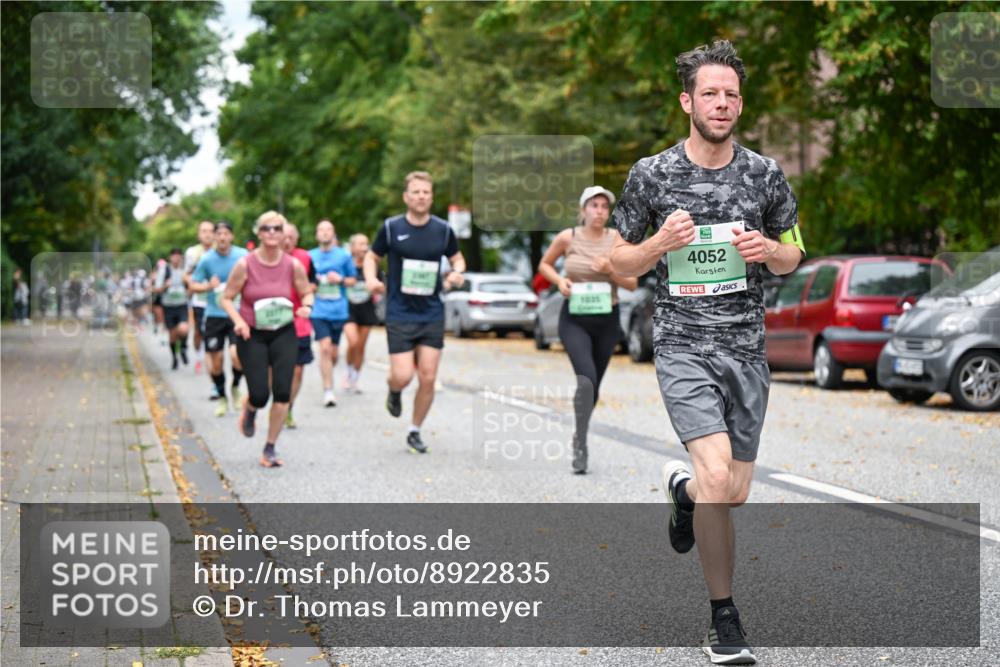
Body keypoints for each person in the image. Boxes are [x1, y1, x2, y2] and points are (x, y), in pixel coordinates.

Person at [610, 40, 805, 666]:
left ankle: (685, 494)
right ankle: (724, 620)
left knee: (731, 490)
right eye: (710, 94)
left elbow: (795, 251)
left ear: (739, 104)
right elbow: (616, 264)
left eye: (731, 95)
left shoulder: (765, 175)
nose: (721, 104)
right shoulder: (652, 175)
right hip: (683, 343)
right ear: (687, 101)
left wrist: (768, 252)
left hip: (746, 348)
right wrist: (657, 243)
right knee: (720, 474)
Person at [363, 171, 466, 454]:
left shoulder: (443, 230)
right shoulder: (391, 227)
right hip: (399, 311)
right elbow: (372, 257)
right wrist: (371, 279)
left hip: (432, 312)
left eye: (426, 192)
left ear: (431, 197)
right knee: (403, 375)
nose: (421, 196)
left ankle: (414, 430)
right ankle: (394, 391)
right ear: (406, 197)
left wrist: (457, 273)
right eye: (416, 191)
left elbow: (458, 259)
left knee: (429, 377)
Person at [538, 186, 637, 474]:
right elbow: (545, 265)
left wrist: (610, 270)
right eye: (594, 205)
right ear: (583, 210)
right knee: (586, 380)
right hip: (575, 320)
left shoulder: (617, 240)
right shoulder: (568, 237)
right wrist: (559, 281)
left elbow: (631, 283)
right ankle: (581, 442)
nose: (599, 211)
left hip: (607, 320)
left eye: (604, 207)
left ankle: (579, 434)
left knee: (594, 387)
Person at [220, 211, 314, 468]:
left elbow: (306, 293)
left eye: (277, 228)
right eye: (266, 228)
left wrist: (306, 306)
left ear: (285, 234)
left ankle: (270, 447)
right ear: (259, 233)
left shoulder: (293, 265)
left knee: (282, 393)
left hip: (284, 332)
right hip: (253, 334)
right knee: (260, 394)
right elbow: (227, 297)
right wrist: (238, 322)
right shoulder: (245, 264)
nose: (272, 232)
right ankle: (251, 409)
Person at [190, 221, 249, 417]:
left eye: (226, 233)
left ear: (231, 236)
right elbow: (193, 285)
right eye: (219, 234)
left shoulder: (242, 257)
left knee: (237, 355)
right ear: (215, 237)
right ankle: (222, 396)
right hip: (214, 315)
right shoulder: (206, 260)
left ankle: (235, 386)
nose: (222, 237)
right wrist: (208, 286)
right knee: (216, 362)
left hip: (236, 314)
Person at [308, 219, 357, 407]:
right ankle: (328, 390)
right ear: (317, 234)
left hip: (339, 311)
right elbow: (303, 281)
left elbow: (353, 280)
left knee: (334, 354)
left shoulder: (343, 256)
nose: (325, 233)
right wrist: (313, 285)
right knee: (325, 348)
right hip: (319, 310)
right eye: (321, 230)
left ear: (333, 233)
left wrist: (341, 280)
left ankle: (328, 369)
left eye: (329, 230)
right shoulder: (309, 256)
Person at [282, 222, 318, 428]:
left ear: (296, 239)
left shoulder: (304, 257)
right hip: (274, 322)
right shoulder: (268, 258)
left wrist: (305, 291)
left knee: (297, 370)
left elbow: (314, 284)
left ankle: (288, 407)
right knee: (274, 370)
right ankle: (277, 401)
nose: (287, 241)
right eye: (284, 237)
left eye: (291, 237)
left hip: (299, 321)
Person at [343, 233, 382, 394]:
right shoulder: (345, 265)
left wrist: (376, 287)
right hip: (348, 309)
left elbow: (382, 287)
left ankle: (355, 378)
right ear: (352, 247)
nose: (363, 247)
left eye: (366, 244)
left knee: (361, 346)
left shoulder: (372, 266)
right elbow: (338, 283)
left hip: (366, 309)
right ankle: (348, 371)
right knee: (353, 342)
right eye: (359, 244)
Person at [184, 221, 216, 377]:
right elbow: (186, 274)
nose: (207, 234)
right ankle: (198, 356)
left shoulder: (220, 251)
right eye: (204, 231)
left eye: (210, 231)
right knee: (198, 333)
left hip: (217, 301)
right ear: (199, 234)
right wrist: (195, 284)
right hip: (199, 299)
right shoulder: (193, 252)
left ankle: (212, 365)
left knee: (211, 335)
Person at [154, 248, 190, 369]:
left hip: (182, 304)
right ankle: (175, 357)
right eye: (174, 256)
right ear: (170, 257)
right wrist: (165, 285)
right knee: (172, 335)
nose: (176, 258)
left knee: (183, 329)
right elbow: (157, 289)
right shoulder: (164, 270)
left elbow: (191, 285)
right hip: (168, 306)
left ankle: (184, 347)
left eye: (178, 256)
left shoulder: (185, 270)